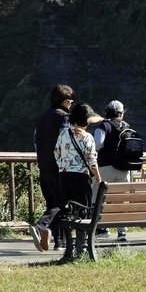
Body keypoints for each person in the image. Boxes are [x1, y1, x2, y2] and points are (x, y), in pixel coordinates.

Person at [51, 102, 102, 261]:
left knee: (67, 210)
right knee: (82, 211)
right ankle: (80, 248)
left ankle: (68, 248)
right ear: (86, 121)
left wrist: (63, 166)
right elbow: (92, 161)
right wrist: (99, 179)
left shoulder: (63, 134)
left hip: (64, 176)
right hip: (81, 177)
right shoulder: (88, 137)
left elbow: (56, 153)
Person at [29, 84, 74, 252]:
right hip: (60, 166)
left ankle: (59, 241)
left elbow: (35, 142)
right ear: (64, 102)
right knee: (61, 202)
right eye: (70, 101)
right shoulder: (64, 118)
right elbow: (66, 142)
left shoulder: (42, 118)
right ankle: (41, 227)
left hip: (44, 164)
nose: (71, 105)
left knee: (52, 202)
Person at [91, 99, 135, 241]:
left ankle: (102, 228)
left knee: (98, 198)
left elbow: (97, 144)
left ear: (107, 112)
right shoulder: (127, 127)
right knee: (120, 200)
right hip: (123, 169)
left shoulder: (103, 126)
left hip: (104, 167)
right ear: (121, 114)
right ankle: (122, 232)